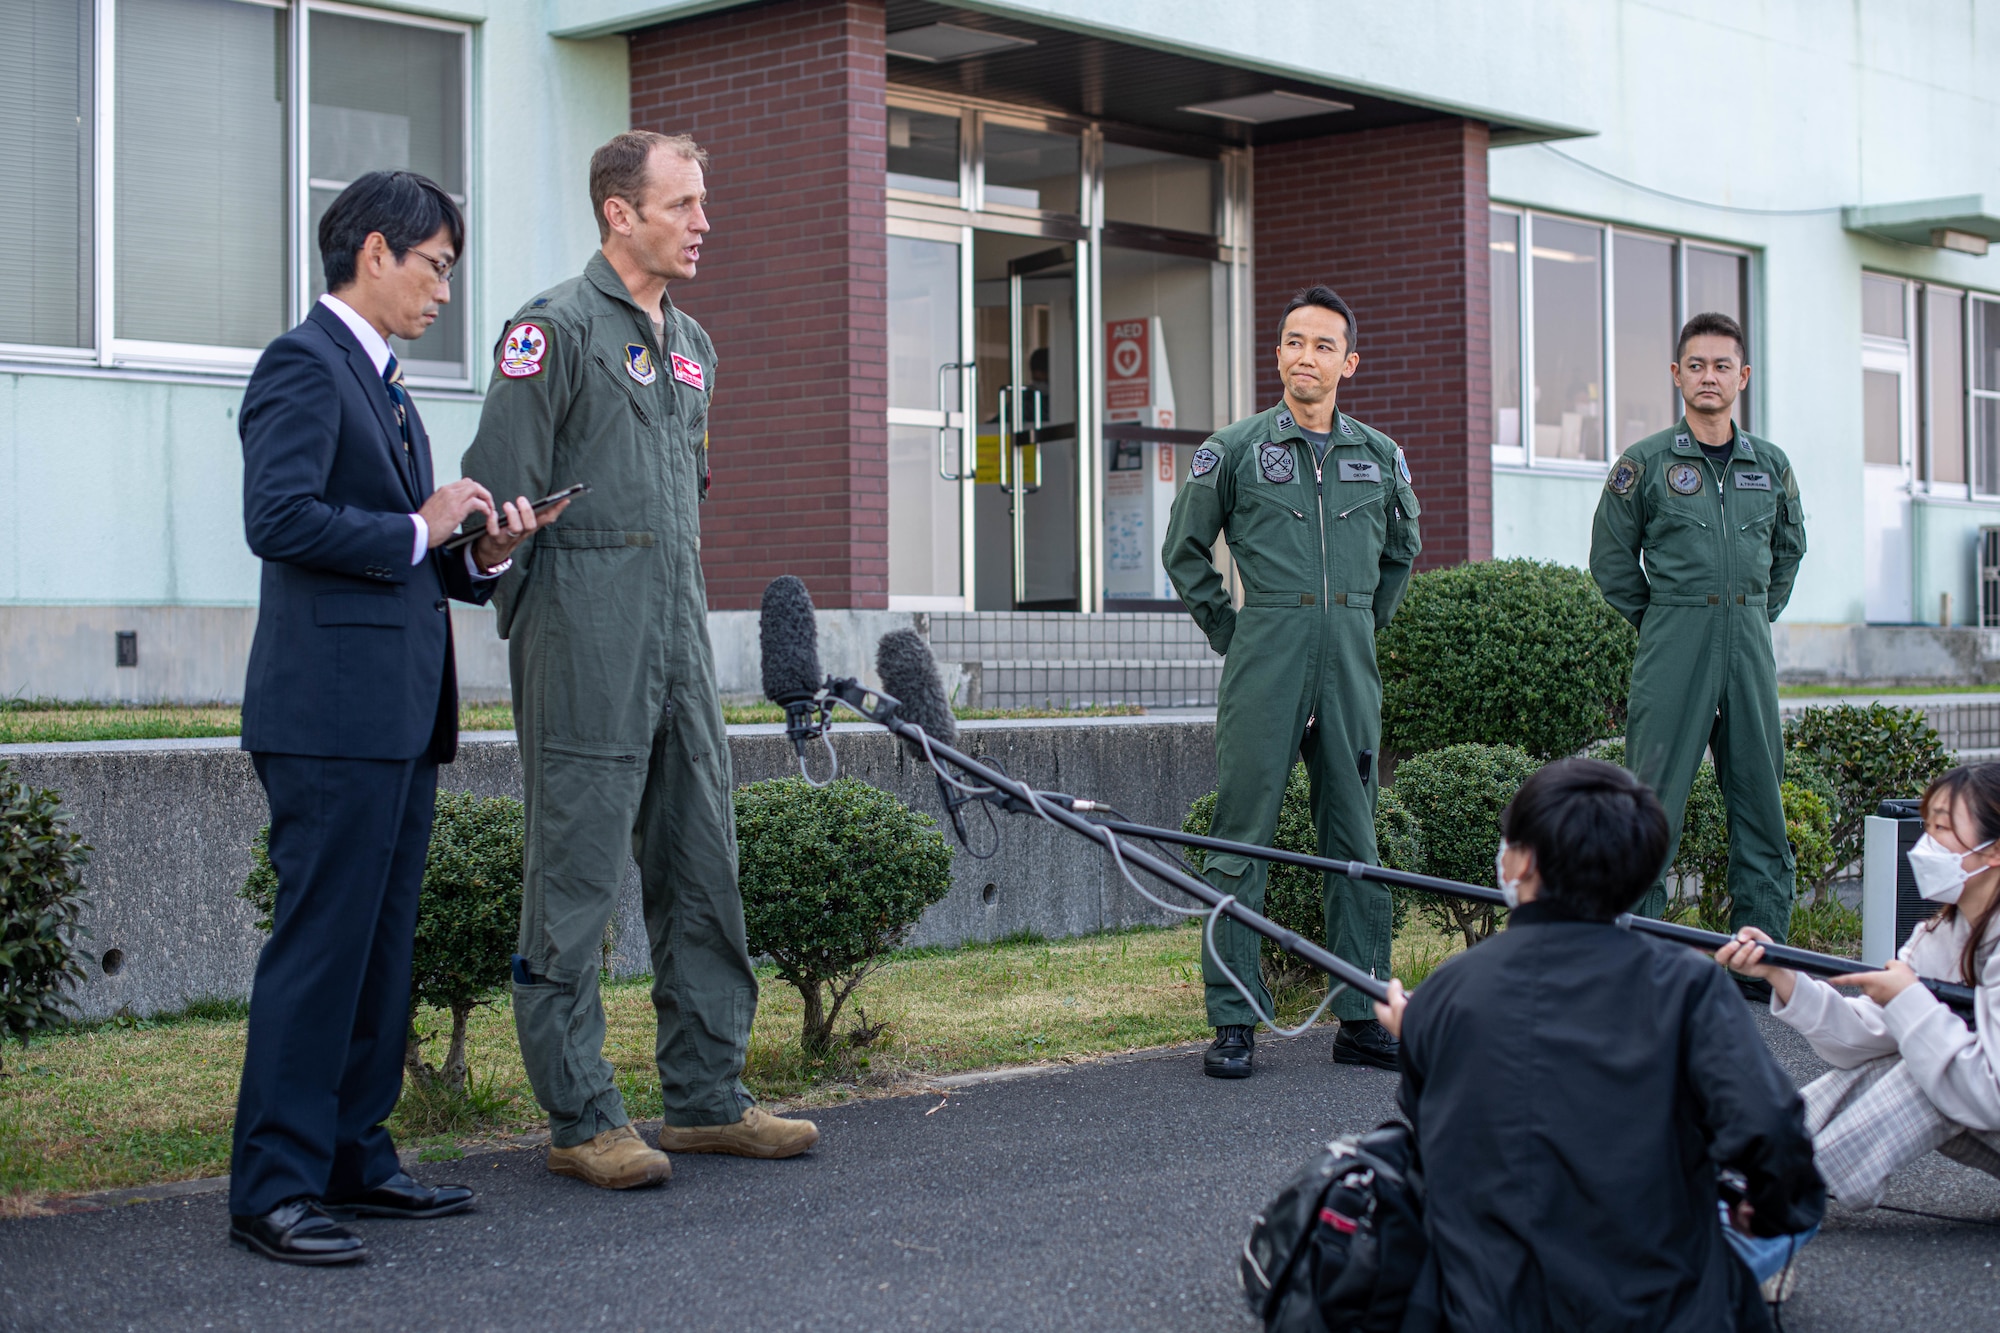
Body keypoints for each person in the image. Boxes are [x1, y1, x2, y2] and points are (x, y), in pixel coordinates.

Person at [461, 130, 817, 1189]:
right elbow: (495, 506)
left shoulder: (694, 344)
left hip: (678, 639)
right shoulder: (551, 331)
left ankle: (706, 1098)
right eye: (682, 204)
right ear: (619, 213)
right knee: (572, 878)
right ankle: (580, 1116)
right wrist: (533, 598)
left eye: (702, 202)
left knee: (703, 862)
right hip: (585, 641)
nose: (703, 223)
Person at [232, 171, 557, 1264]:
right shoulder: (303, 363)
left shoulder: (384, 381)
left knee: (378, 950)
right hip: (329, 718)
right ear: (375, 250)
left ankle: (353, 1157)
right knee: (320, 950)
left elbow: (406, 555)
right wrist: (423, 524)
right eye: (435, 266)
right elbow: (279, 518)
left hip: (396, 717)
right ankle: (273, 1187)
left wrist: (480, 552)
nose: (444, 291)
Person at [1375, 759, 1826, 1329]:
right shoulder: (1687, 985)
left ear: (1524, 863)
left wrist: (1420, 1033)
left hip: (1488, 1305)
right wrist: (1769, 1210)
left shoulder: (1449, 990)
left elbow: (1437, 1135)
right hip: (1659, 1306)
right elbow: (1770, 1128)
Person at [1162, 285, 1422, 1078]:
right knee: (1241, 836)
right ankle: (1233, 1018)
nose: (1306, 357)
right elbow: (1184, 550)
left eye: (1323, 345)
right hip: (1266, 654)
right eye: (1294, 342)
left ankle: (1362, 1016)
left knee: (1356, 838)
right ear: (1277, 354)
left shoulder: (1378, 455)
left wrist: (1359, 624)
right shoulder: (1235, 449)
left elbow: (1402, 549)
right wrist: (1235, 633)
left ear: (1350, 362)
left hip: (1348, 660)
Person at [1590, 312, 1808, 997]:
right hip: (1674, 643)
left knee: (1760, 799)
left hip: (1748, 642)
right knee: (1652, 801)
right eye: (1696, 365)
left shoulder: (1770, 465)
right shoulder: (1646, 463)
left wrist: (1754, 613)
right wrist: (1662, 619)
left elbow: (1789, 551)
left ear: (1742, 377)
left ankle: (1759, 957)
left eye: (1722, 365)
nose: (1708, 376)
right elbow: (1611, 560)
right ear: (1676, 374)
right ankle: (1641, 957)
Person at [1720, 762, 2000, 1209]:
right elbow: (1864, 1038)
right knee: (1918, 1052)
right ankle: (1748, 1162)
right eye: (1926, 826)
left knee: (1928, 1067)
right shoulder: (1943, 933)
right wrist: (1780, 973)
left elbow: (1991, 1092)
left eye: (1943, 829)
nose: (1926, 844)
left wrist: (1909, 1000)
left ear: (1993, 851)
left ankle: (1777, 1191)